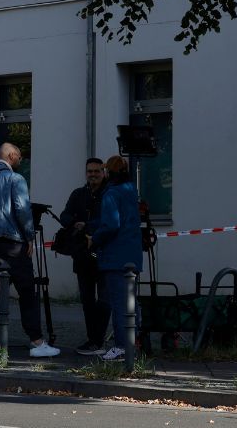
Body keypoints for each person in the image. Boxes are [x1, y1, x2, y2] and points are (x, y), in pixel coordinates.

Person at [0, 142, 60, 359]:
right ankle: (37, 342)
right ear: (12, 155)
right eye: (20, 156)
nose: (21, 160)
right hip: (15, 244)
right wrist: (29, 238)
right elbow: (23, 210)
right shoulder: (16, 179)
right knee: (27, 293)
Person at [88, 155, 142, 362]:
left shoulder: (111, 192)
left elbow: (111, 225)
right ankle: (132, 344)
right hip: (132, 254)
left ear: (109, 172)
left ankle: (121, 347)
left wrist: (94, 238)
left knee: (119, 304)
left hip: (115, 256)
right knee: (131, 303)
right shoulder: (130, 190)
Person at [58, 157, 109, 355]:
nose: (93, 175)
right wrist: (75, 222)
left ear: (104, 172)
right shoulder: (78, 194)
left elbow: (109, 220)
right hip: (82, 255)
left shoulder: (109, 194)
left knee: (104, 300)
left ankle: (98, 340)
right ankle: (92, 339)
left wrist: (87, 225)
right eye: (90, 171)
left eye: (97, 171)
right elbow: (64, 215)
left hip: (104, 254)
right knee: (87, 300)